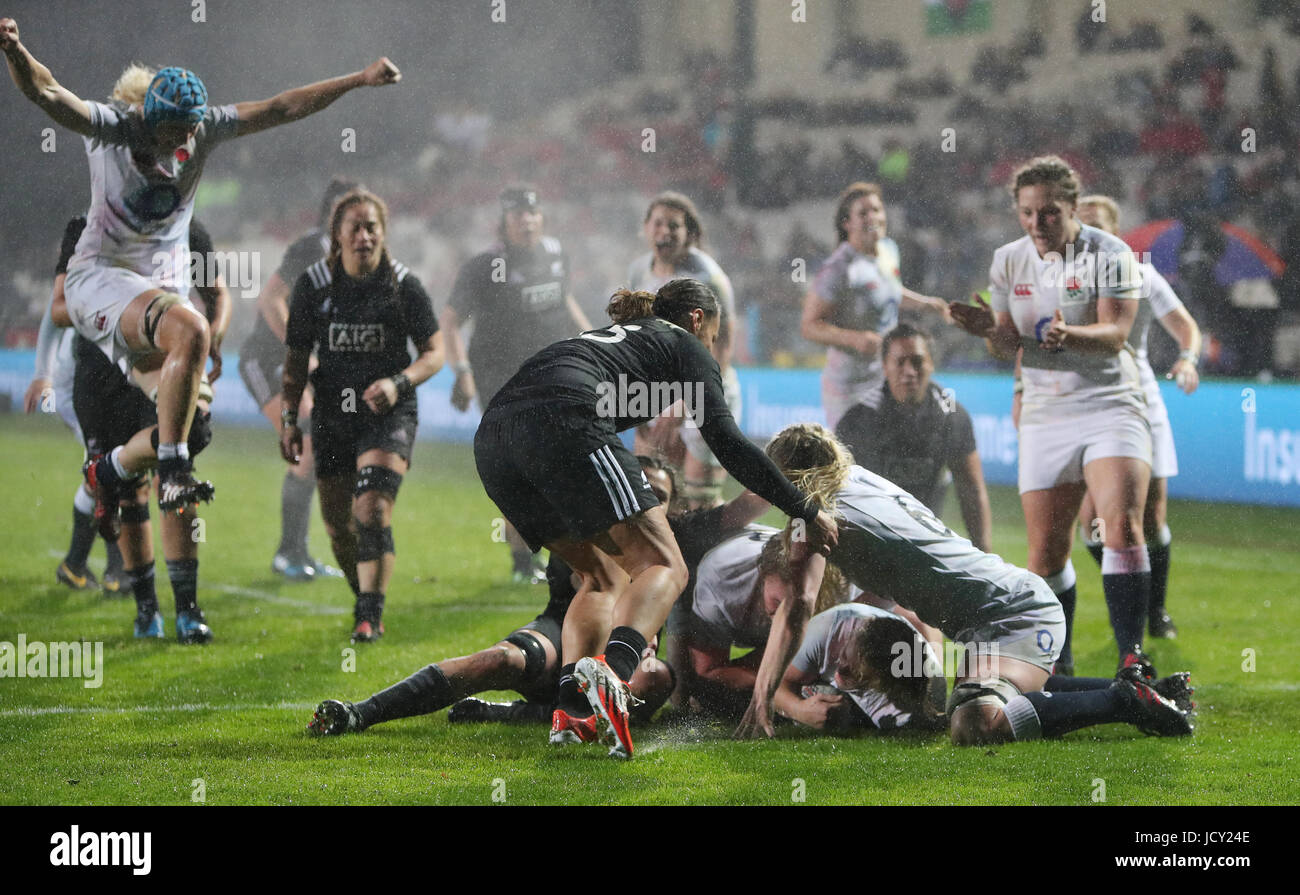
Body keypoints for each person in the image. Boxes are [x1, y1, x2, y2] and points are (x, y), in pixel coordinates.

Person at [1, 16, 401, 532]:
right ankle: (170, 473)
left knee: (197, 426)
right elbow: (48, 91)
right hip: (99, 278)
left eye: (195, 126)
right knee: (191, 330)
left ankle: (108, 471)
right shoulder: (112, 129)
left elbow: (280, 107)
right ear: (150, 119)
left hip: (156, 293)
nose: (190, 137)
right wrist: (13, 50)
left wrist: (358, 79)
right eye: (179, 129)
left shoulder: (200, 129)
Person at [473, 283, 838, 758]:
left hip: (493, 443)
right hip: (563, 423)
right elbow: (727, 442)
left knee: (600, 575)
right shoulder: (684, 342)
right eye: (713, 335)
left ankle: (574, 709)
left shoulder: (617, 337)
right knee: (666, 566)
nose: (712, 348)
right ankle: (614, 677)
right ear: (696, 319)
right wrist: (805, 508)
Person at [736, 424, 1195, 746]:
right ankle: (1138, 687)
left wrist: (762, 700)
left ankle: (1123, 700)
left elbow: (798, 606)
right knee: (985, 692)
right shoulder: (856, 479)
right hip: (1001, 608)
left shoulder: (815, 517)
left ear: (788, 480)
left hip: (1014, 615)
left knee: (974, 724)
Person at [950, 156, 1156, 673]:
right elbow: (1007, 345)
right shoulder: (1008, 260)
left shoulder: (1110, 255)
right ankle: (1058, 667)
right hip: (1046, 410)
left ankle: (1131, 655)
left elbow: (1116, 336)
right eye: (1027, 213)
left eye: (1049, 213)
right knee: (1045, 555)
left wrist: (1071, 335)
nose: (1037, 223)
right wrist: (985, 331)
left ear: (1072, 207)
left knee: (1122, 527)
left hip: (1110, 403)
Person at [307, 457, 681, 736]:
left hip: (621, 668)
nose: (648, 500)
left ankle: (506, 714)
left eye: (659, 495)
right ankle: (361, 713)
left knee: (657, 676)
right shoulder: (587, 527)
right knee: (498, 660)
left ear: (673, 508)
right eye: (641, 488)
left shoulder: (680, 546)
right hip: (561, 640)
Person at [281, 189, 443, 643]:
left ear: (383, 234)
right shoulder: (313, 286)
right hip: (332, 413)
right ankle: (363, 598)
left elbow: (435, 353)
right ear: (337, 235)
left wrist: (399, 383)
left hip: (387, 414)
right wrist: (290, 420)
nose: (364, 235)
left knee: (371, 508)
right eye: (355, 226)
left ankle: (370, 614)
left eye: (372, 226)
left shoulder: (403, 285)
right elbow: (295, 363)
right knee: (338, 526)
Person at [442, 185, 590, 583]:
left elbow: (565, 301)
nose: (527, 220)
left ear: (541, 217)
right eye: (517, 215)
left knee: (555, 463)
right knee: (520, 465)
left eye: (532, 213)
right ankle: (523, 560)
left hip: (550, 372)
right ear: (504, 222)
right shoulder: (484, 265)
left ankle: (555, 556)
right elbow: (452, 321)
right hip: (499, 379)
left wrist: (592, 340)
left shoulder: (557, 254)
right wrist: (460, 372)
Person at [1073, 195, 1201, 641]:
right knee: (1092, 523)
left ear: (1115, 233)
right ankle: (1135, 595)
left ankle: (1155, 611)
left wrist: (1187, 358)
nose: (1087, 235)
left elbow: (1185, 326)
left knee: (1150, 519)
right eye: (1081, 225)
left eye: (1096, 226)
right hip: (1088, 404)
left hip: (1140, 401)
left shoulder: (1142, 276)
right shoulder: (1062, 279)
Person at [240, 177, 359, 581]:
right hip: (266, 359)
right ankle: (289, 554)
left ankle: (296, 553)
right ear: (331, 214)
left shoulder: (356, 259)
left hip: (304, 366)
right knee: (309, 444)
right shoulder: (311, 248)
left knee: (314, 450)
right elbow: (270, 299)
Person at [26, 215, 124, 595]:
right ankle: (116, 569)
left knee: (109, 468)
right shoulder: (89, 234)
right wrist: (42, 374)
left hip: (108, 380)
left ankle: (76, 565)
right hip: (78, 383)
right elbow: (57, 308)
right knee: (110, 469)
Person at [801, 181, 950, 430]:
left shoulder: (888, 250)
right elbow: (809, 326)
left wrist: (925, 304)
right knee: (853, 462)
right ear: (847, 223)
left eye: (877, 210)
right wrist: (855, 339)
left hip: (887, 375)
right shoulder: (838, 269)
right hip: (849, 385)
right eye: (863, 213)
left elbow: (887, 290)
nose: (873, 217)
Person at [835, 322, 992, 552]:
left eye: (917, 362)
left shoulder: (952, 416)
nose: (909, 371)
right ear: (885, 367)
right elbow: (837, 492)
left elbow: (971, 489)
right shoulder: (858, 419)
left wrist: (985, 553)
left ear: (931, 365)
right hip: (872, 541)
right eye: (900, 362)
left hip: (927, 541)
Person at [627, 191, 738, 508]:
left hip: (706, 393)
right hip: (656, 393)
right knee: (652, 496)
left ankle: (731, 552)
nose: (665, 232)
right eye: (658, 223)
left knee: (697, 501)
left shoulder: (708, 277)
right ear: (646, 228)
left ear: (689, 233)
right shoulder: (639, 272)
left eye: (674, 226)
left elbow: (723, 345)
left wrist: (681, 406)